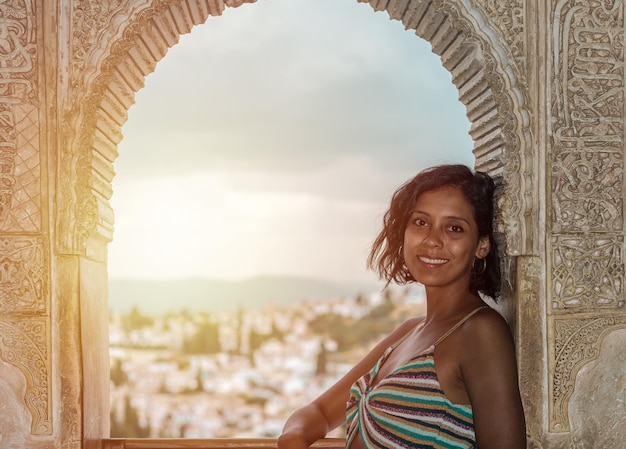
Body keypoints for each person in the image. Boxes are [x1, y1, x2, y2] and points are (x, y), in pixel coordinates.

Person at [277, 164, 526, 448]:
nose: (433, 240)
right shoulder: (409, 331)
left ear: (481, 245)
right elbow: (318, 413)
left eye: (454, 228)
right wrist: (293, 438)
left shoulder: (481, 332)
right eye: (421, 222)